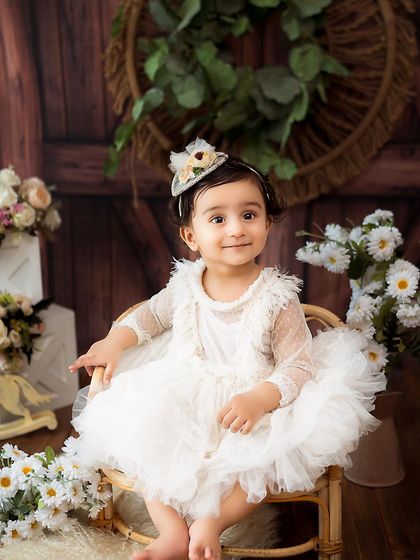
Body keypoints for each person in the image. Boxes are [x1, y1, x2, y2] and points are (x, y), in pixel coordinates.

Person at [68, 138, 387, 560]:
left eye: (249, 215)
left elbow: (298, 365)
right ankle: (170, 532)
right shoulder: (184, 285)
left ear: (268, 225)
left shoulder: (277, 298)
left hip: (251, 403)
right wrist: (113, 341)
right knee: (145, 439)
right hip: (184, 389)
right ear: (191, 236)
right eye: (217, 218)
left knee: (266, 463)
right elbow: (148, 319)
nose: (236, 228)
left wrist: (261, 398)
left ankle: (210, 523)